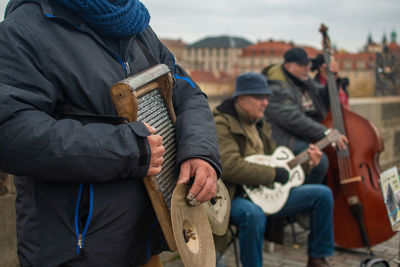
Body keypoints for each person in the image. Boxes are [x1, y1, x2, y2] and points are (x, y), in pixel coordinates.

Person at [0, 0, 221, 266]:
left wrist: (200, 151)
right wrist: (130, 149)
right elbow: (11, 131)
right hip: (79, 247)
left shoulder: (137, 26)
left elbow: (187, 92)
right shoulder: (24, 29)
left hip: (148, 240)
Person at [213, 72, 334, 267]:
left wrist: (307, 163)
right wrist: (273, 175)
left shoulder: (261, 125)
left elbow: (276, 161)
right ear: (241, 99)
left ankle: (317, 258)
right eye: (259, 97)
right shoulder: (222, 123)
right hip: (233, 195)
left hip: (265, 192)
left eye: (267, 97)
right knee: (253, 215)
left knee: (322, 195)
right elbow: (229, 166)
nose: (265, 103)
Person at [263, 47, 348, 184]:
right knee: (320, 162)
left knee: (334, 151)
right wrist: (326, 132)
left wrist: (333, 77)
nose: (307, 68)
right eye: (302, 65)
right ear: (288, 66)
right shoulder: (277, 87)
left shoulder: (304, 82)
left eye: (307, 64)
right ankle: (299, 194)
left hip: (304, 134)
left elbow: (324, 98)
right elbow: (294, 119)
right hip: (285, 139)